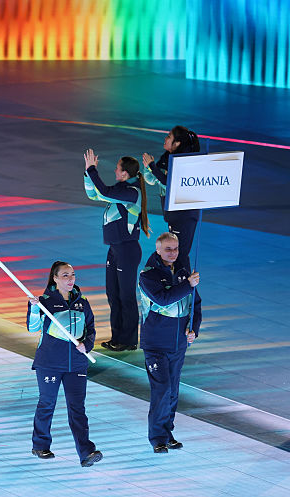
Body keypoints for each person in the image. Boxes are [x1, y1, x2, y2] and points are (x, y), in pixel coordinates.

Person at [27, 261, 102, 467]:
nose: (70, 279)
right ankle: (40, 445)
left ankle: (86, 452)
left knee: (77, 408)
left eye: (73, 275)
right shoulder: (44, 302)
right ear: (55, 278)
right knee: (47, 403)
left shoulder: (82, 302)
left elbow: (91, 329)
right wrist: (34, 309)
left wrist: (87, 345)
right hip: (49, 363)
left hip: (76, 365)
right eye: (65, 275)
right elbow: (32, 328)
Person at [139, 233, 201, 453]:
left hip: (178, 344)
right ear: (158, 250)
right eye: (168, 249)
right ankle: (157, 438)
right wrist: (188, 285)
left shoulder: (183, 272)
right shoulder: (148, 275)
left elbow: (196, 304)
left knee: (173, 390)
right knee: (162, 389)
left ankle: (167, 433)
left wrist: (194, 330)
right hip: (155, 345)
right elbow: (163, 300)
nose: (173, 253)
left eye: (176, 249)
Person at [83, 149, 150, 351]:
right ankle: (117, 337)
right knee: (113, 294)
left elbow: (103, 192)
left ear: (125, 173)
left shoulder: (131, 192)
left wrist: (93, 170)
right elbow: (94, 194)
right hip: (115, 249)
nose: (114, 170)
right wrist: (87, 173)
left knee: (126, 296)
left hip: (127, 251)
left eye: (117, 168)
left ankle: (128, 340)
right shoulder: (121, 190)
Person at [142, 125, 201, 267]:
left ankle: (186, 282)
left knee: (179, 256)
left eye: (169, 136)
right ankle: (181, 281)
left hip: (184, 215)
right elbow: (153, 180)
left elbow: (170, 184)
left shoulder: (185, 161)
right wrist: (147, 167)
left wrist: (152, 167)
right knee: (176, 257)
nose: (165, 138)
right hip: (173, 214)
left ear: (177, 143)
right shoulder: (167, 157)